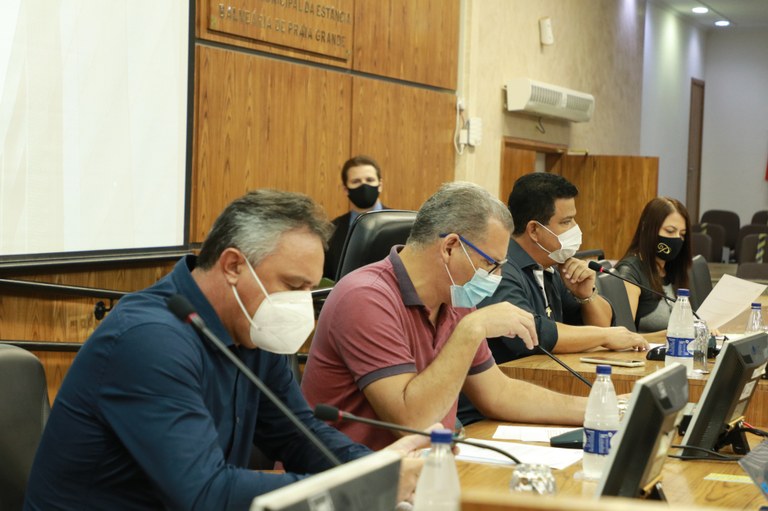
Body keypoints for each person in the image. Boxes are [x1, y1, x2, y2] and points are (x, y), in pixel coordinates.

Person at [24, 190, 429, 511]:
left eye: (310, 289)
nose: (299, 305)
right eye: (293, 286)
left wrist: (377, 470)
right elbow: (204, 494)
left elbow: (297, 434)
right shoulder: (149, 341)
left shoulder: (252, 326)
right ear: (233, 265)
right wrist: (356, 490)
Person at [301, 182, 587, 450]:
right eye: (490, 263)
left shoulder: (454, 296)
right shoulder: (365, 297)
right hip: (354, 474)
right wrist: (472, 329)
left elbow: (499, 394)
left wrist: (594, 411)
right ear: (450, 247)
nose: (497, 276)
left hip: (427, 465)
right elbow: (414, 424)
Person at [477, 172, 648, 364]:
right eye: (566, 222)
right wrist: (604, 337)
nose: (575, 228)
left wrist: (586, 295)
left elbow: (601, 325)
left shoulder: (552, 267)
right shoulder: (500, 269)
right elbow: (531, 333)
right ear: (534, 230)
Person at [615, 197, 692, 333]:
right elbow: (623, 334)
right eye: (670, 231)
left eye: (682, 234)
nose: (676, 239)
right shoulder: (630, 272)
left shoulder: (673, 268)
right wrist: (669, 334)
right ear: (647, 228)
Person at [323, 155, 387, 280]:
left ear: (380, 185)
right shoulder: (331, 230)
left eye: (369, 180)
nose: (364, 186)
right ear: (346, 189)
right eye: (356, 181)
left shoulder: (402, 223)